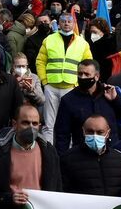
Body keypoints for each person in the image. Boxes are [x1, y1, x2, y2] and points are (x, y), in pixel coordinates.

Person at [53, 60, 121, 155]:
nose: (82, 77)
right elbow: (62, 135)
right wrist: (61, 160)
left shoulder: (110, 93)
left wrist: (116, 99)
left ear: (97, 76)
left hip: (111, 154)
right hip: (81, 155)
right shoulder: (68, 100)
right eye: (80, 74)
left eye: (86, 74)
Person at [35, 13, 93, 141]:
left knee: (71, 123)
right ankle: (48, 153)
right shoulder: (49, 39)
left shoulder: (82, 43)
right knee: (48, 125)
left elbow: (88, 65)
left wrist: (79, 85)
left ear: (73, 24)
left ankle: (69, 154)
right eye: (63, 21)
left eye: (69, 21)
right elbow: (40, 61)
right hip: (51, 86)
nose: (66, 24)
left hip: (71, 87)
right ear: (59, 23)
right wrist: (44, 81)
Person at [59, 114, 121, 205]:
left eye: (100, 132)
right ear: (83, 131)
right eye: (90, 131)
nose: (94, 136)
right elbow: (62, 191)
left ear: (108, 133)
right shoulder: (68, 158)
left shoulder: (119, 159)